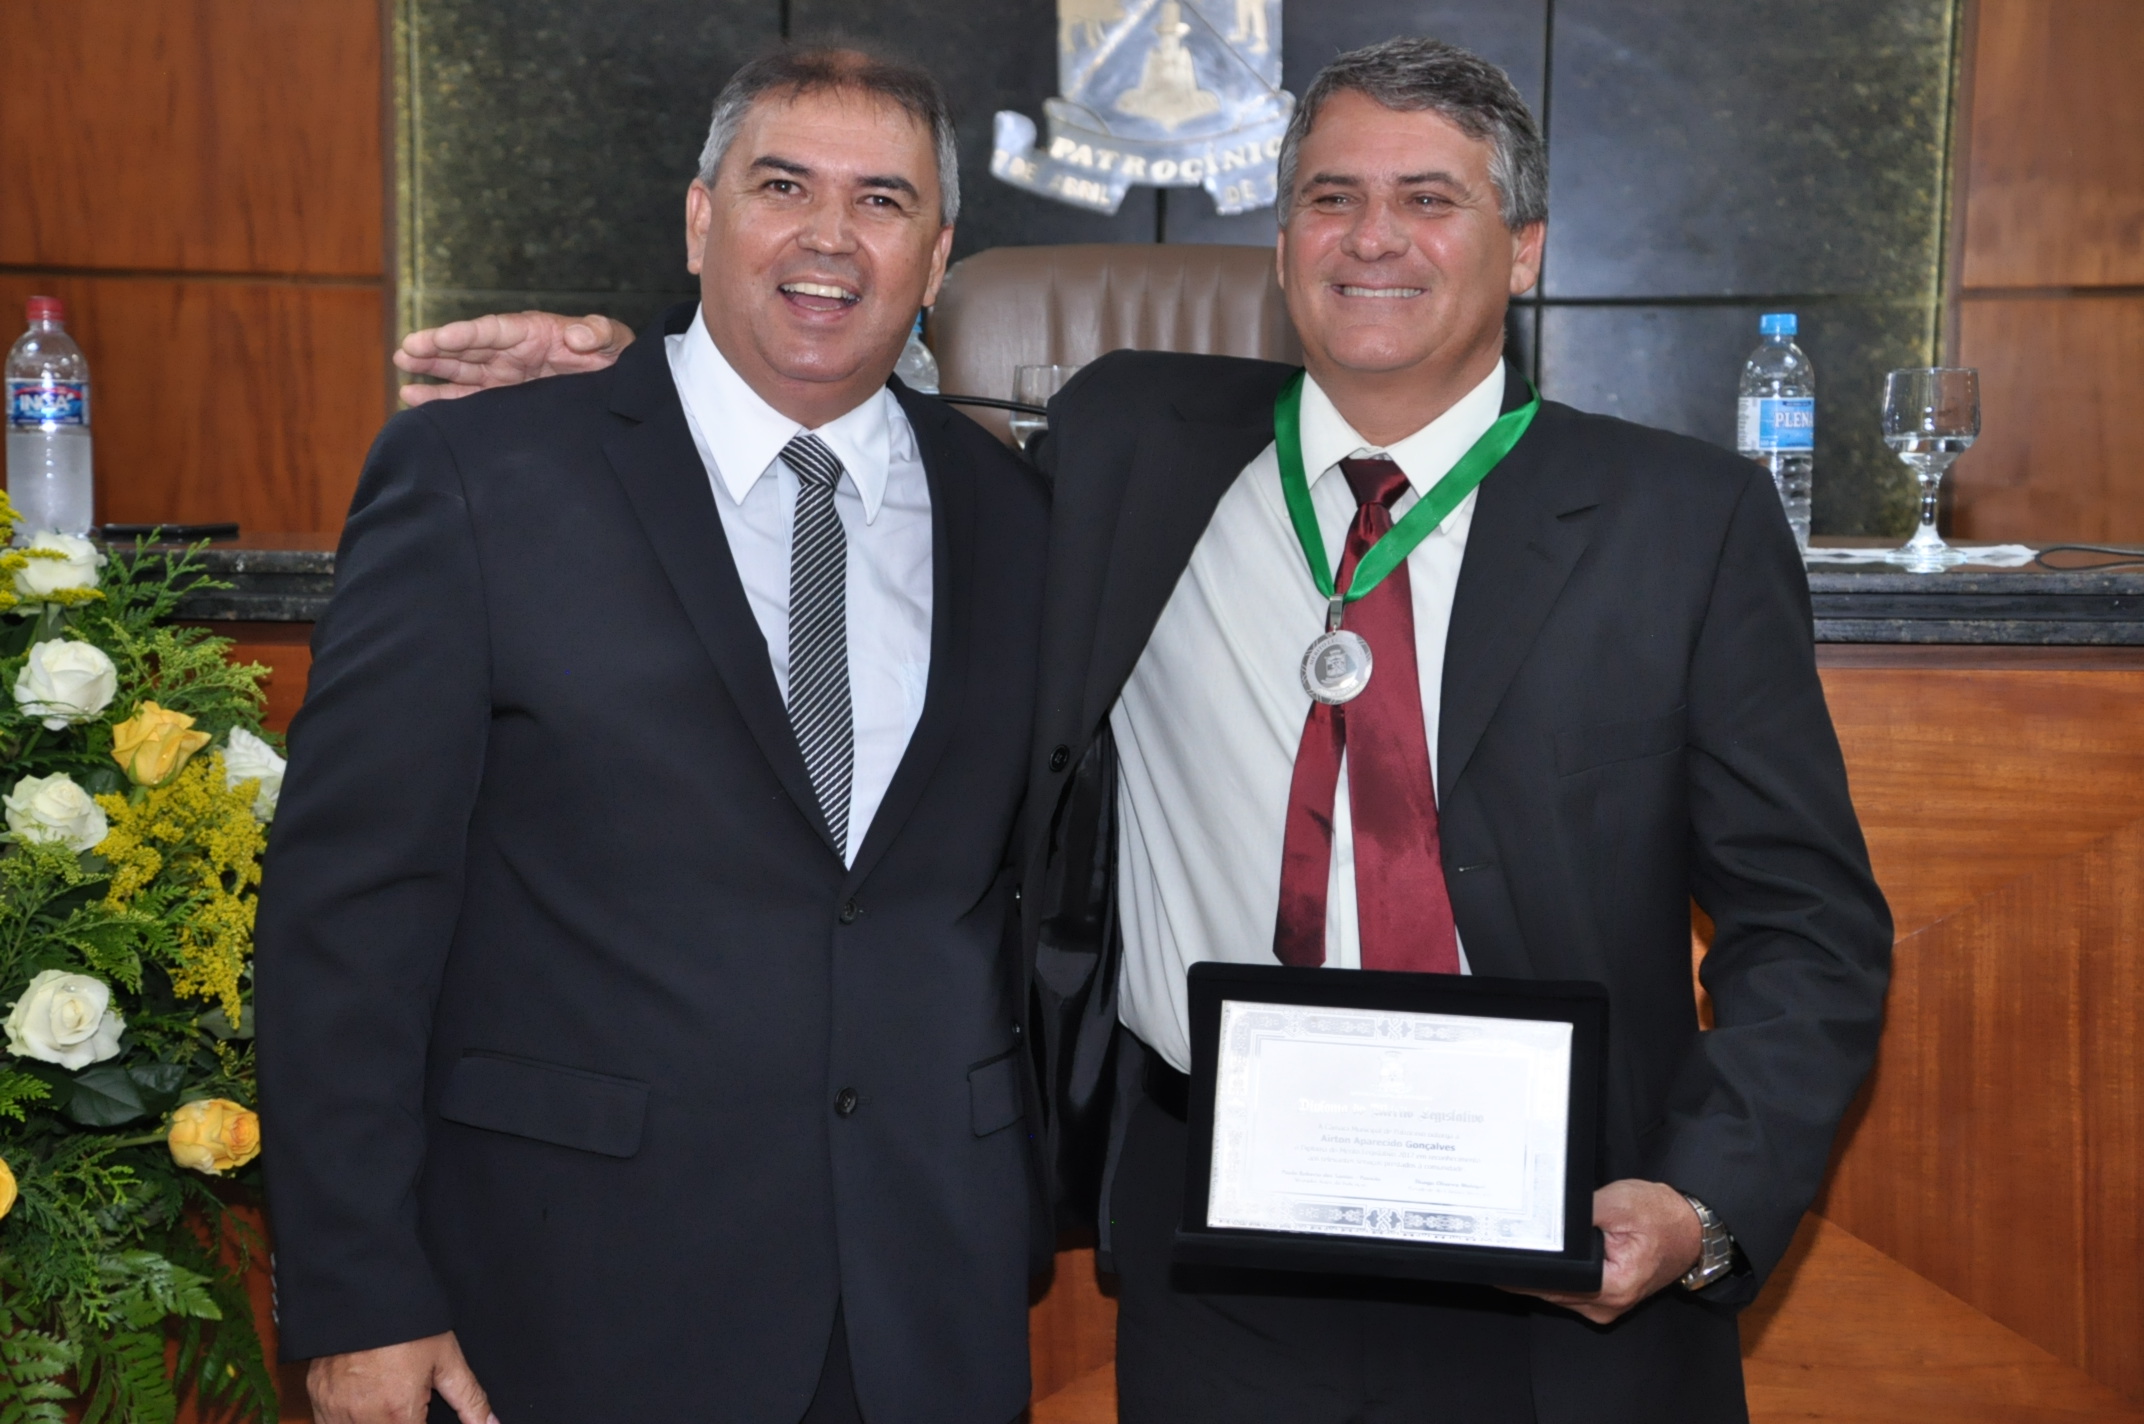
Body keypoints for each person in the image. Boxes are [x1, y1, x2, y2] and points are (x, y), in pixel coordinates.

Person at [402, 36, 1891, 1424]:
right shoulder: (1133, 451)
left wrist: (1701, 1204)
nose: (1373, 239)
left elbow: (1809, 926)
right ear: (1283, 244)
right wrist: (647, 384)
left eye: (1429, 200)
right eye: (1331, 198)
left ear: (1527, 248)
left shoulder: (1681, 524)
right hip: (1222, 1239)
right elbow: (845, 427)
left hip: (1568, 1233)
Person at [256, 46, 1046, 1424]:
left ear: (936, 258)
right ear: (697, 220)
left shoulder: (1020, 515)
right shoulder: (483, 478)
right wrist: (359, 1288)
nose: (828, 236)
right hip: (573, 1297)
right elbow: (348, 911)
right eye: (782, 186)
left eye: (882, 201)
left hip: (926, 1299)